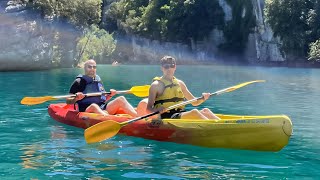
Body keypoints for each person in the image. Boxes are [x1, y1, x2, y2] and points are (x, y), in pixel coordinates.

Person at [142, 55, 220, 120]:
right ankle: (216, 128)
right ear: (162, 68)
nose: (169, 68)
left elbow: (195, 102)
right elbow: (148, 109)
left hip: (180, 113)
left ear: (175, 67)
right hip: (167, 116)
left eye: (171, 66)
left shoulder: (180, 83)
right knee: (194, 112)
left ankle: (224, 126)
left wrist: (204, 98)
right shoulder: (155, 85)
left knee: (206, 110)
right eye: (166, 66)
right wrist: (157, 110)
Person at [66, 59, 137, 117]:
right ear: (84, 68)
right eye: (89, 67)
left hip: (102, 109)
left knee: (121, 99)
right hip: (86, 110)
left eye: (94, 67)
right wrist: (76, 98)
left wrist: (110, 95)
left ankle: (138, 118)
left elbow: (103, 100)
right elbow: (68, 101)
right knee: (94, 106)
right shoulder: (79, 81)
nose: (92, 69)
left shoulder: (98, 80)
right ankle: (109, 119)